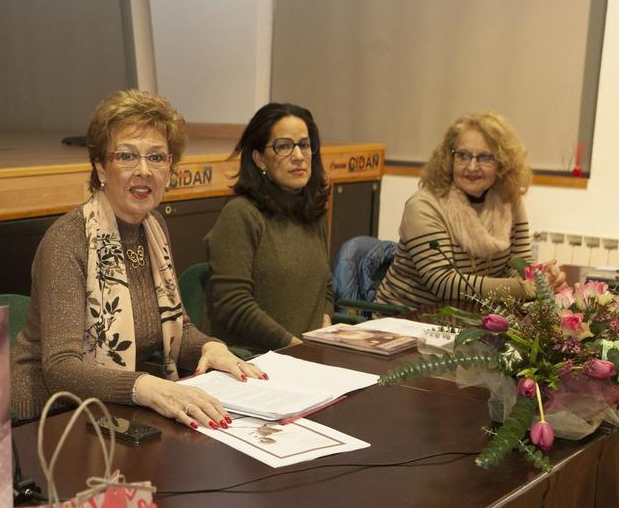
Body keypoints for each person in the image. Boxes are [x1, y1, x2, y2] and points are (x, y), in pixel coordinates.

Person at [12, 90, 264, 430]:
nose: (144, 170)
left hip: (118, 411)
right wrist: (143, 386)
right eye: (127, 156)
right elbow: (60, 369)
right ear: (101, 166)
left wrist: (210, 348)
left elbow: (178, 329)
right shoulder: (67, 240)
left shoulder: (153, 226)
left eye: (157, 158)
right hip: (49, 419)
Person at [375, 111, 567, 308]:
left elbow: (519, 264)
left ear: (502, 162)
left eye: (484, 157)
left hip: (471, 317)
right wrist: (526, 287)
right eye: (463, 156)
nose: (472, 166)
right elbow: (443, 283)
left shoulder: (509, 199)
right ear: (449, 159)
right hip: (407, 320)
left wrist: (542, 277)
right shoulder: (423, 207)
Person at [204, 103, 333, 352]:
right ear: (259, 158)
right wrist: (295, 347)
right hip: (254, 362)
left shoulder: (313, 213)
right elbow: (234, 305)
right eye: (283, 146)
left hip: (306, 356)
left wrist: (325, 323)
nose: (298, 156)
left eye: (304, 145)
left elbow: (325, 287)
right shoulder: (241, 214)